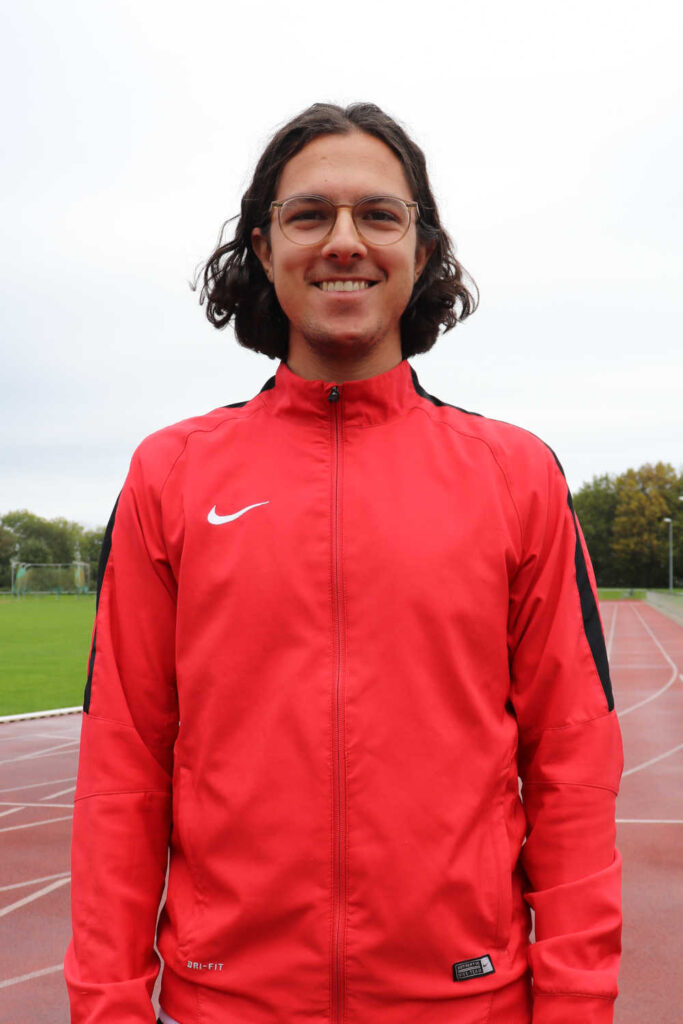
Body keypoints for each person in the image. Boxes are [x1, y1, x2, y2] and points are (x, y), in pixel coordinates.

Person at [64, 102, 623, 1024]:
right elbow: (124, 764)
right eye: (309, 214)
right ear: (262, 246)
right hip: (225, 1002)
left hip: (466, 1001)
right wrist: (106, 1005)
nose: (343, 241)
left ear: (422, 248)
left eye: (378, 214)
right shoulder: (171, 474)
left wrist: (575, 1004)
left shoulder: (515, 474)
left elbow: (572, 758)